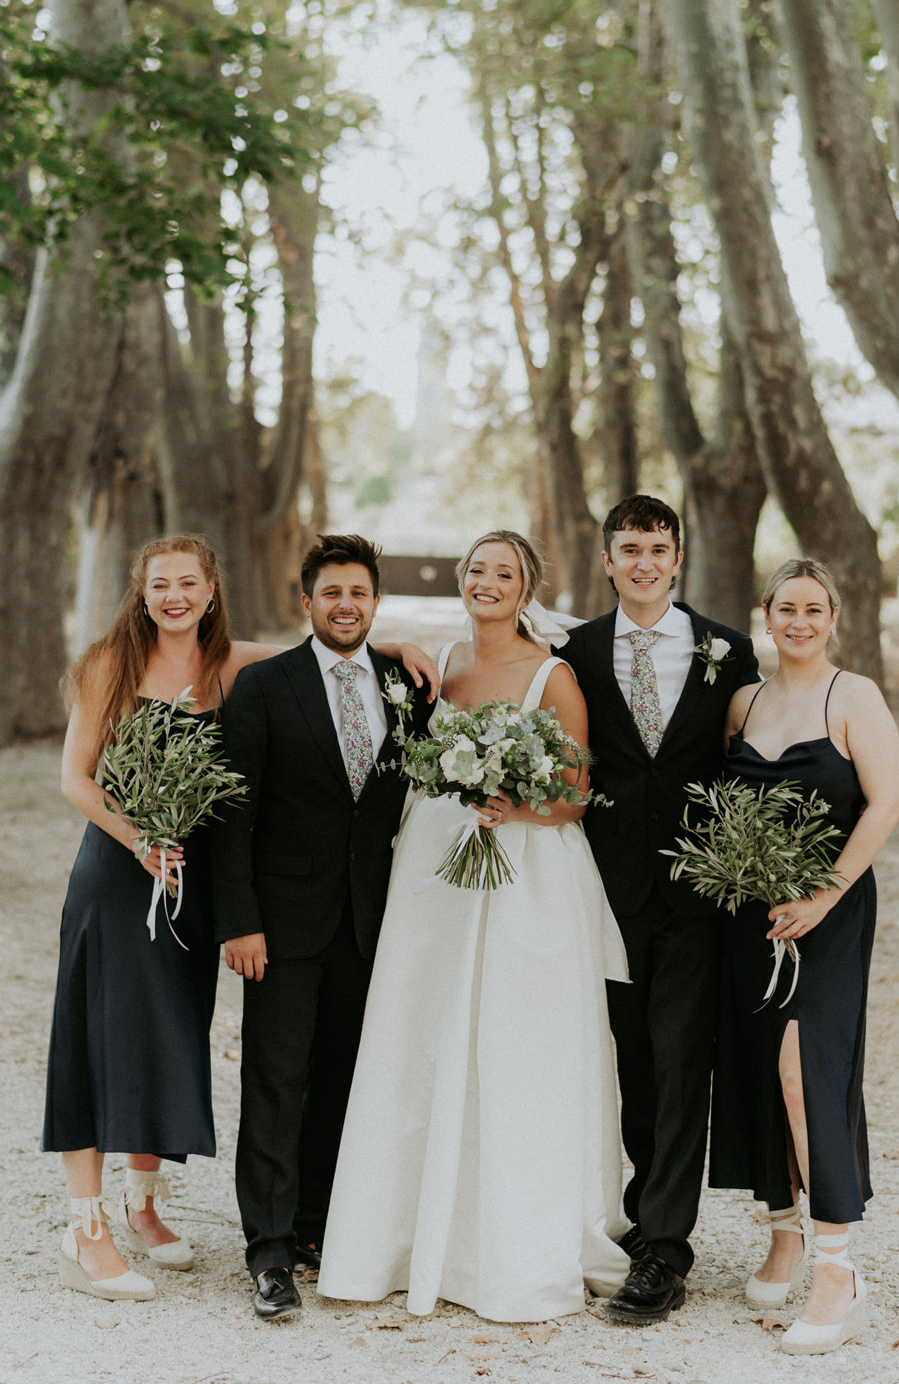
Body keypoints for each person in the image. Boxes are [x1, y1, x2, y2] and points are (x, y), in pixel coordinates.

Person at [317, 530, 631, 1323]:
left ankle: (509, 1242)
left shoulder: (554, 676)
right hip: (433, 872)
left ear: (527, 590)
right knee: (418, 1034)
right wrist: (394, 644)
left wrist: (514, 804)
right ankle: (399, 1235)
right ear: (461, 580)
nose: (487, 582)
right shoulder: (441, 663)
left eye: (504, 573)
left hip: (524, 878)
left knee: (513, 1045)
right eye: (478, 570)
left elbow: (575, 795)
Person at [43, 535, 284, 1302]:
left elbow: (323, 654)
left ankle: (143, 1205)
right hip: (118, 877)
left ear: (211, 590)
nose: (173, 596)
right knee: (94, 1041)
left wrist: (402, 646)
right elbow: (75, 780)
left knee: (168, 1034)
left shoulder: (231, 666)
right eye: (159, 585)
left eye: (187, 583)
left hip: (190, 888)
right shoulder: (107, 664)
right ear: (141, 592)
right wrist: (139, 840)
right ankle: (86, 1233)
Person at [210, 533, 435, 1321]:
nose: (345, 606)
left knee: (343, 1080)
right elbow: (231, 813)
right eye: (331, 593)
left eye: (358, 593)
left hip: (372, 924)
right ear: (305, 601)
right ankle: (268, 1252)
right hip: (280, 924)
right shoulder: (264, 685)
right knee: (275, 1082)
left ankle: (316, 1225)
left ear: (375, 603)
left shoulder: (405, 686)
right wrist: (239, 920)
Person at [559, 494, 760, 1324]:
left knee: (680, 1060)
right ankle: (634, 1214)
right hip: (601, 890)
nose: (643, 562)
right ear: (606, 560)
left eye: (657, 548)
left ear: (677, 559)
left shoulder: (728, 651)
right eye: (629, 548)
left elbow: (752, 758)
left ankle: (665, 1248)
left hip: (695, 893)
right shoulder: (573, 651)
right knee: (628, 1062)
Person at [710, 558, 899, 1356]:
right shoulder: (743, 701)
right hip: (750, 915)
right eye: (785, 607)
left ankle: (836, 1271)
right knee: (759, 1066)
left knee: (804, 1071)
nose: (798, 621)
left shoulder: (852, 696)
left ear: (832, 618)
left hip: (828, 910)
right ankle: (782, 1231)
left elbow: (885, 803)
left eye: (812, 609)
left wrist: (823, 895)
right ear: (765, 615)